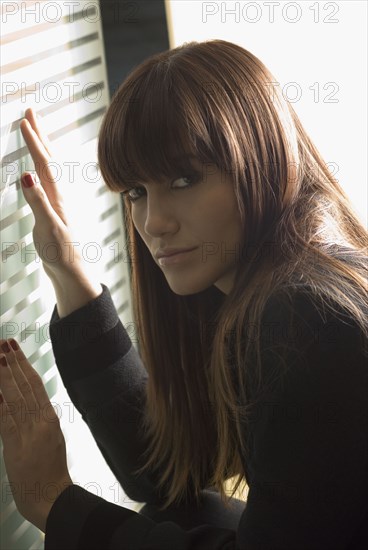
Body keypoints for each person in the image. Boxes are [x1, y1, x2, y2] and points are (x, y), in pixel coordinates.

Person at [0, 39, 367, 549]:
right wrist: (66, 268)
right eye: (135, 191)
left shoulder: (307, 317)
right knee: (193, 509)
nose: (154, 222)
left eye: (183, 178)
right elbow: (165, 471)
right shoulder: (260, 283)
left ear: (261, 158)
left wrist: (55, 504)